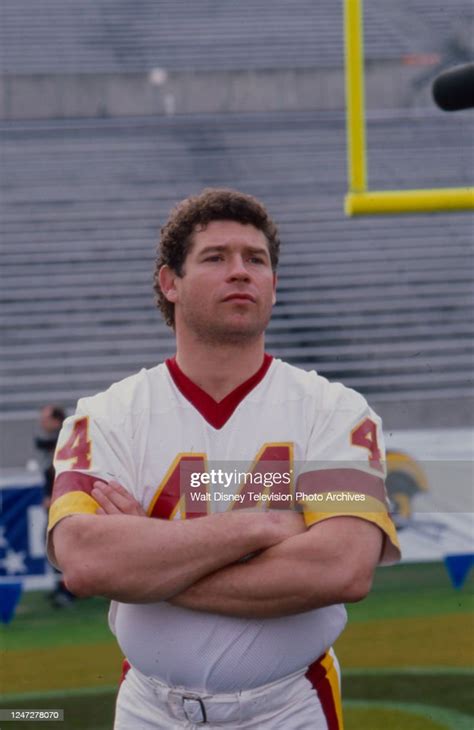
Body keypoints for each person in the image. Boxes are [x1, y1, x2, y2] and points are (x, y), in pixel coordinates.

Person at [47, 189, 400, 729]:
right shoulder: (107, 415)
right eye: (215, 257)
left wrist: (151, 565)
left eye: (255, 260)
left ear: (274, 286)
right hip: (150, 708)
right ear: (170, 283)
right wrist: (259, 526)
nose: (241, 272)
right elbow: (88, 561)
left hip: (287, 707)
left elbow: (342, 568)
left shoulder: (336, 411)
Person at [34, 405, 75, 607]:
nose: (42, 422)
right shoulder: (53, 443)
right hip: (55, 500)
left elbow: (62, 473)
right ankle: (63, 587)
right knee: (53, 543)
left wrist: (54, 495)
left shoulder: (65, 441)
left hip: (63, 503)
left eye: (46, 418)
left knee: (58, 543)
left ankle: (67, 590)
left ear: (57, 421)